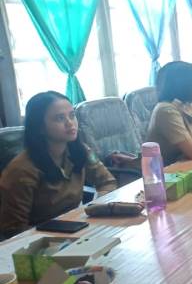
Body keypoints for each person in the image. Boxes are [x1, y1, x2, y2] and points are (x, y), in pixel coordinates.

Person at [0, 91, 117, 239]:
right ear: (40, 127)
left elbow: (107, 182)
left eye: (72, 115)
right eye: (60, 118)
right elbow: (14, 229)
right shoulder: (22, 170)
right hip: (40, 242)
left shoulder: (81, 150)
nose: (70, 123)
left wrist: (95, 208)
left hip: (77, 228)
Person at [147, 61, 192, 165]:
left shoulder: (189, 105)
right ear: (185, 85)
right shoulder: (166, 110)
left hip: (186, 164)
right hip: (165, 173)